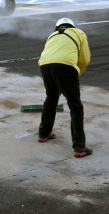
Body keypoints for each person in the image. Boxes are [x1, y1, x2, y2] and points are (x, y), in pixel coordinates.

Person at [37, 18, 92, 158]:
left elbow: (48, 54)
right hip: (66, 66)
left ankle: (43, 133)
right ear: (73, 26)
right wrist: (76, 73)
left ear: (57, 27)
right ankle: (80, 147)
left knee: (51, 98)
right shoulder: (79, 33)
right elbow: (85, 59)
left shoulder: (52, 35)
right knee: (75, 106)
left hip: (45, 65)